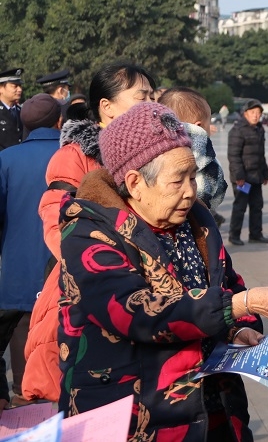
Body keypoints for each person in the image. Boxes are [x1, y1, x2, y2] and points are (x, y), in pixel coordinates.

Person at [57, 102, 268, 440]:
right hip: (135, 418)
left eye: (193, 176)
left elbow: (229, 284)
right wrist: (238, 306)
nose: (191, 191)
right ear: (134, 183)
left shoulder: (198, 222)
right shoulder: (91, 234)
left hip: (213, 408)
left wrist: (237, 329)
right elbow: (134, 310)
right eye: (178, 180)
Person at [23, 62, 157, 403]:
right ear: (107, 106)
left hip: (147, 285)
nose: (150, 103)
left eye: (152, 96)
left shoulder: (152, 154)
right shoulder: (75, 156)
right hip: (88, 282)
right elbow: (57, 222)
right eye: (141, 96)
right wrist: (101, 265)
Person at [0, 94, 62, 408]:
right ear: (59, 121)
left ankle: (25, 404)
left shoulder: (6, 159)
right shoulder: (72, 156)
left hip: (18, 268)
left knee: (22, 334)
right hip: (64, 267)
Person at [159, 87, 228, 225]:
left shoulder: (154, 149)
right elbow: (216, 194)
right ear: (199, 126)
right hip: (193, 224)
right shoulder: (207, 158)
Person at [228, 99, 268, 245]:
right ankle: (234, 235)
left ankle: (255, 234)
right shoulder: (237, 130)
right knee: (240, 207)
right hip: (243, 177)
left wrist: (265, 174)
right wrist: (239, 176)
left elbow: (261, 154)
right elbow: (233, 156)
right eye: (253, 112)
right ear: (245, 113)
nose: (256, 116)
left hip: (256, 176)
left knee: (257, 206)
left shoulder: (260, 129)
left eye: (258, 113)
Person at [0, 68, 23, 151]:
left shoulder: (21, 111)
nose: (19, 89)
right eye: (15, 86)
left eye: (20, 86)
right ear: (1, 88)